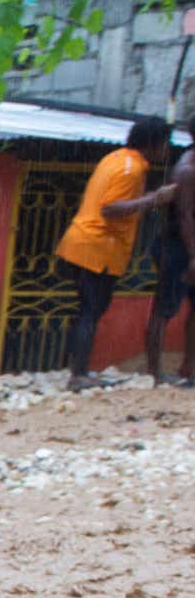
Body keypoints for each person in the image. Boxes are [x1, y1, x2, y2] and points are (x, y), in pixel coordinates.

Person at [59, 115, 173, 391]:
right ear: (154, 144)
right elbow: (110, 209)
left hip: (85, 243)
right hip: (97, 247)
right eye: (165, 144)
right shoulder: (130, 169)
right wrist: (153, 199)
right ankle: (78, 375)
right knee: (90, 310)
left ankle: (79, 370)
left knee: (88, 310)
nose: (167, 151)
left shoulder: (115, 158)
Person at [143, 135, 195, 384]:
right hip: (177, 247)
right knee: (164, 308)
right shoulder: (186, 170)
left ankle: (188, 369)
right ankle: (155, 372)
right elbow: (186, 217)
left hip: (187, 247)